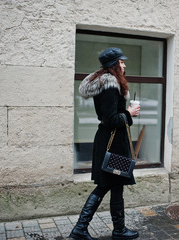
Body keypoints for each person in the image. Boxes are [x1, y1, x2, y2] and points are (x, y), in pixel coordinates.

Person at [69, 47, 140, 240]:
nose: (124, 64)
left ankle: (118, 230)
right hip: (112, 142)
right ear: (114, 65)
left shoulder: (110, 82)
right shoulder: (109, 84)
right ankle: (81, 229)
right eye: (121, 62)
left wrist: (125, 114)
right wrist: (129, 114)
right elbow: (109, 118)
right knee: (105, 185)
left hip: (114, 141)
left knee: (115, 185)